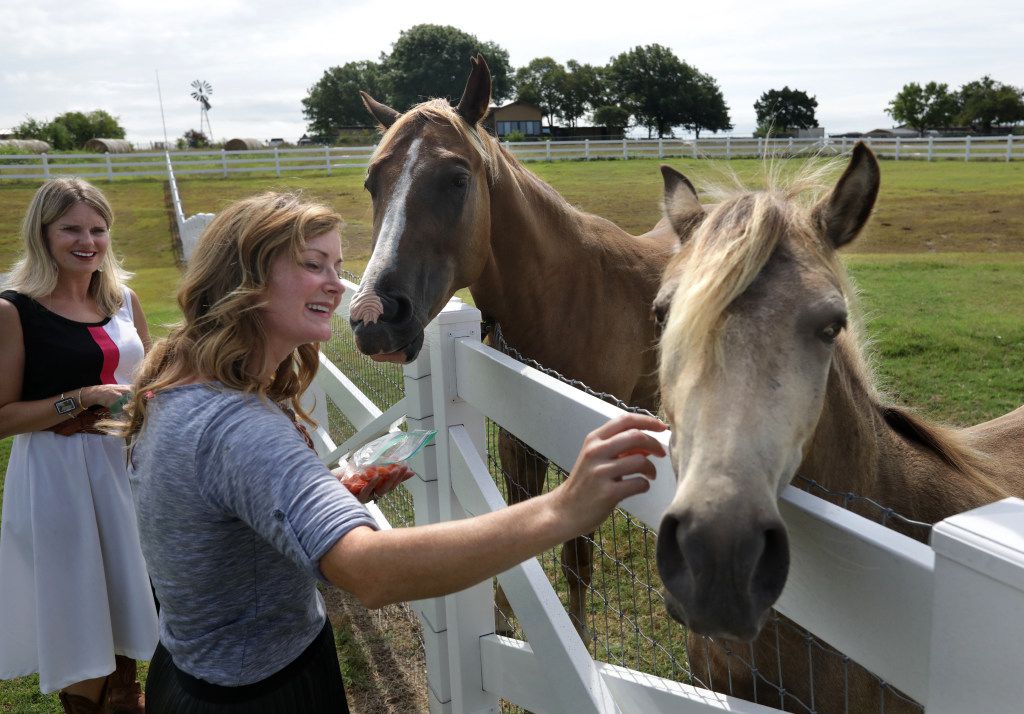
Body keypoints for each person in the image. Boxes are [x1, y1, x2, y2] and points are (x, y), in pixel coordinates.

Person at [118, 192, 666, 713]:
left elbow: (229, 503)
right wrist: (562, 508)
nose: (339, 288)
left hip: (192, 673)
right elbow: (369, 571)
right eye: (314, 265)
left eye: (338, 267)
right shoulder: (240, 428)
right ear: (247, 278)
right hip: (262, 693)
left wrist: (328, 493)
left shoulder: (180, 385)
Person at [0, 178, 158, 714]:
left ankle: (127, 696)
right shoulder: (15, 310)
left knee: (128, 592)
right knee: (77, 606)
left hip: (125, 469)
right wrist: (81, 398)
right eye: (71, 228)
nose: (86, 240)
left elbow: (153, 383)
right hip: (58, 477)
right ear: (42, 234)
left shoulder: (122, 300)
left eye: (97, 229)